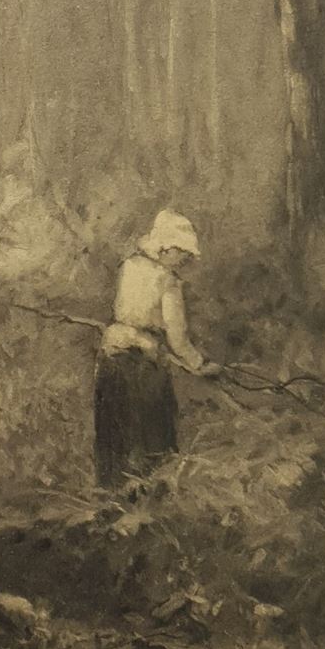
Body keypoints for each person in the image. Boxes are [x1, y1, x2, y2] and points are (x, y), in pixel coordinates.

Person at [93, 209, 212, 488]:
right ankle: (149, 498)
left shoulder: (129, 266)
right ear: (168, 248)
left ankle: (110, 496)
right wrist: (200, 366)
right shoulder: (168, 282)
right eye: (183, 253)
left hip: (111, 355)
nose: (185, 260)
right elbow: (178, 338)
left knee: (114, 433)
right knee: (153, 437)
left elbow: (125, 313)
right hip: (144, 366)